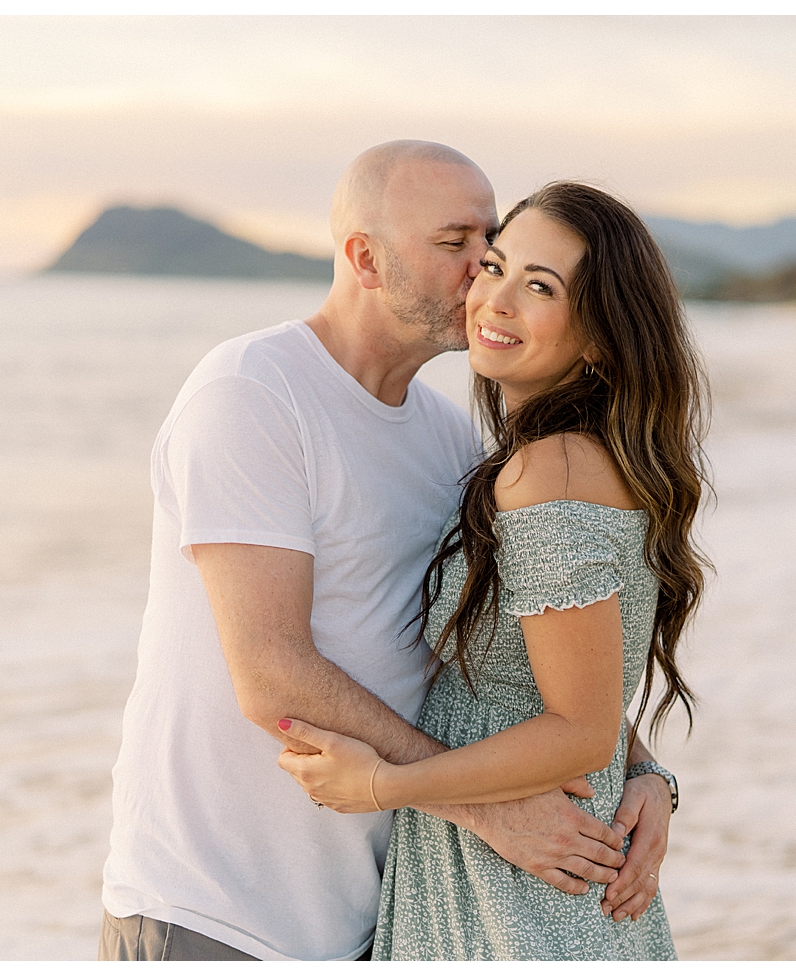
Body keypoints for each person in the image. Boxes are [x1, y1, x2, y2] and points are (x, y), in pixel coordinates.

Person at [98, 144, 677, 961]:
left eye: (493, 239)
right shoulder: (252, 393)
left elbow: (515, 651)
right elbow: (271, 675)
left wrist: (646, 772)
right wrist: (486, 809)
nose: (482, 268)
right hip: (220, 905)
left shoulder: (453, 442)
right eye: (457, 243)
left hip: (380, 913)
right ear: (365, 258)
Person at [276, 180, 710, 960]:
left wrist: (384, 785)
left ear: (602, 338)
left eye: (539, 287)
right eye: (496, 266)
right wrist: (648, 774)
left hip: (522, 891)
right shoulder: (566, 458)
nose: (494, 299)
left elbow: (578, 730)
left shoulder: (553, 468)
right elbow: (587, 689)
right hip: (531, 867)